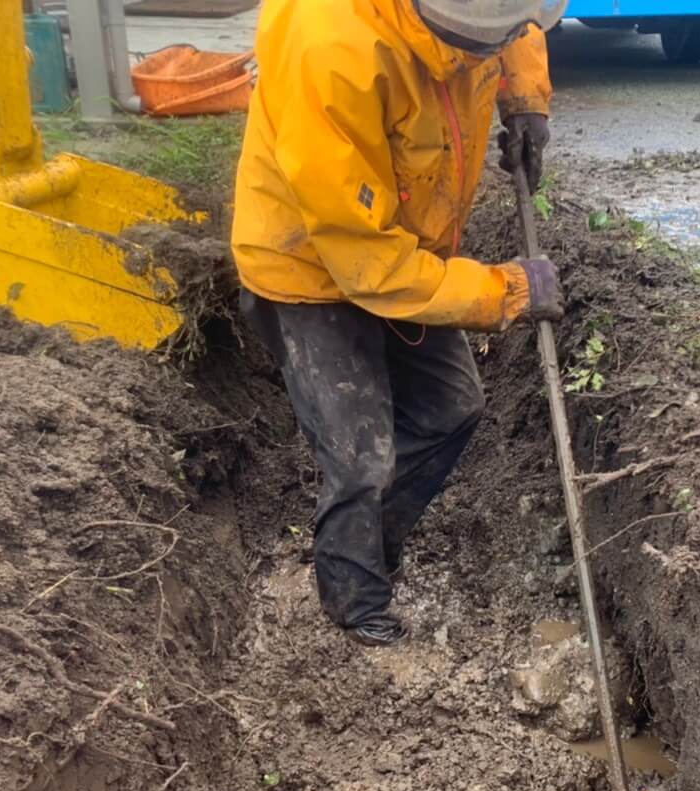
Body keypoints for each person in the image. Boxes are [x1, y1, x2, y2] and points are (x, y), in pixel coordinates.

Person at [232, 0, 567, 647]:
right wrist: (504, 290)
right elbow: (366, 264)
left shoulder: (477, 18)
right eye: (482, 45)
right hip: (310, 265)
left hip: (410, 247)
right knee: (361, 462)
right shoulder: (332, 46)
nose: (492, 50)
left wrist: (526, 98)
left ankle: (366, 541)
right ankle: (355, 611)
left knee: (453, 408)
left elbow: (515, 20)